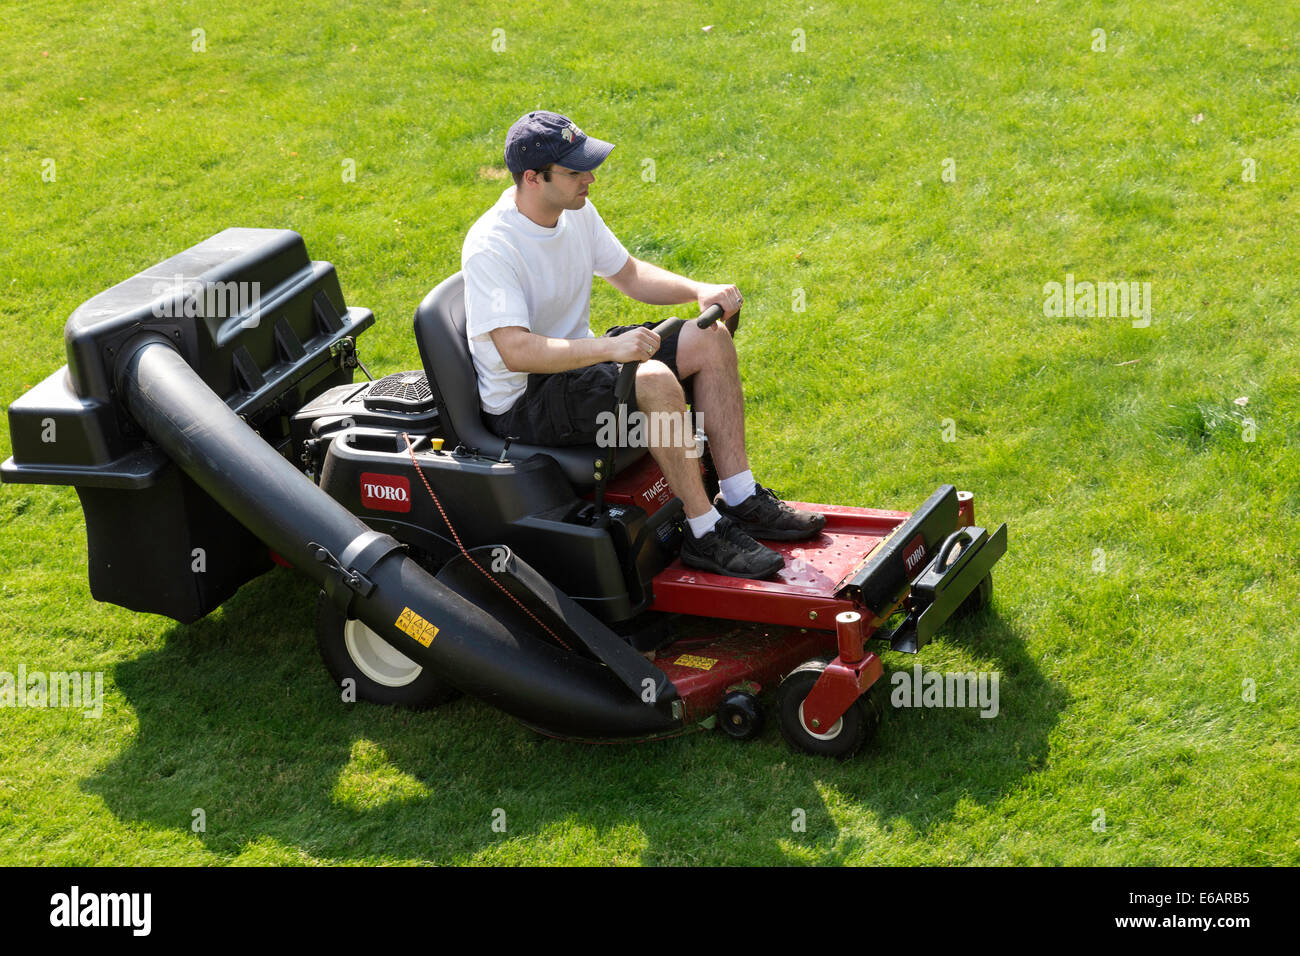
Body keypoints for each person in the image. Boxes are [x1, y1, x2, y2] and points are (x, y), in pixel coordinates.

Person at [461, 110, 824, 579]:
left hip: (576, 365)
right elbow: (517, 351)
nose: (590, 178)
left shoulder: (576, 211)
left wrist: (698, 290)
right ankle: (703, 531)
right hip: (526, 399)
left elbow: (629, 274)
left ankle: (739, 496)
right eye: (575, 171)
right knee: (651, 378)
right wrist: (611, 350)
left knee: (708, 338)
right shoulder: (493, 245)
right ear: (533, 178)